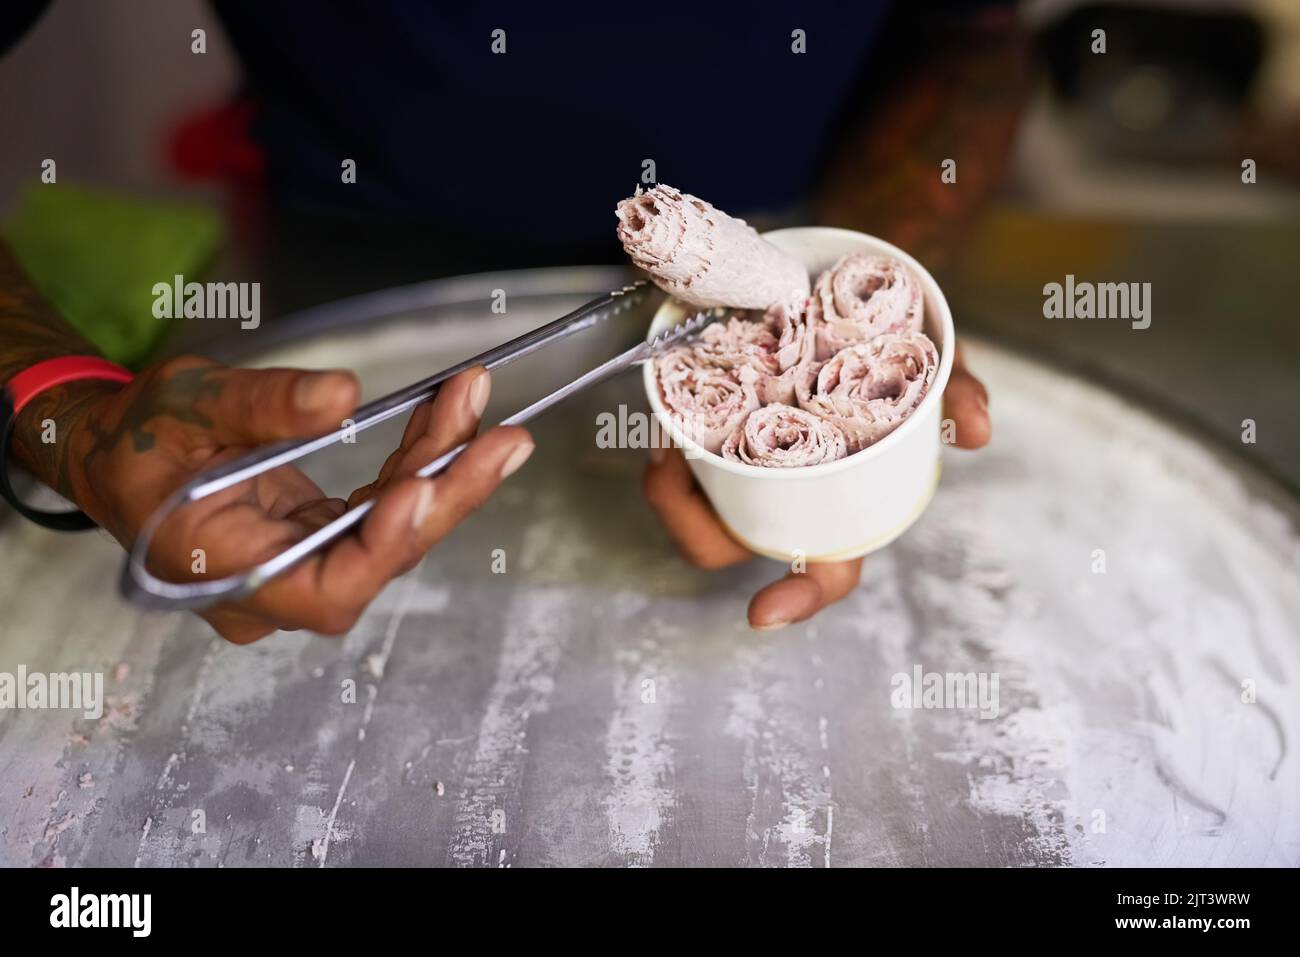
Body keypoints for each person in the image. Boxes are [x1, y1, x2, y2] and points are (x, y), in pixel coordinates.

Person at [0, 2, 1018, 642]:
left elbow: (971, 29)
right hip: (344, 244)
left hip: (806, 208)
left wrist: (867, 271)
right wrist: (62, 408)